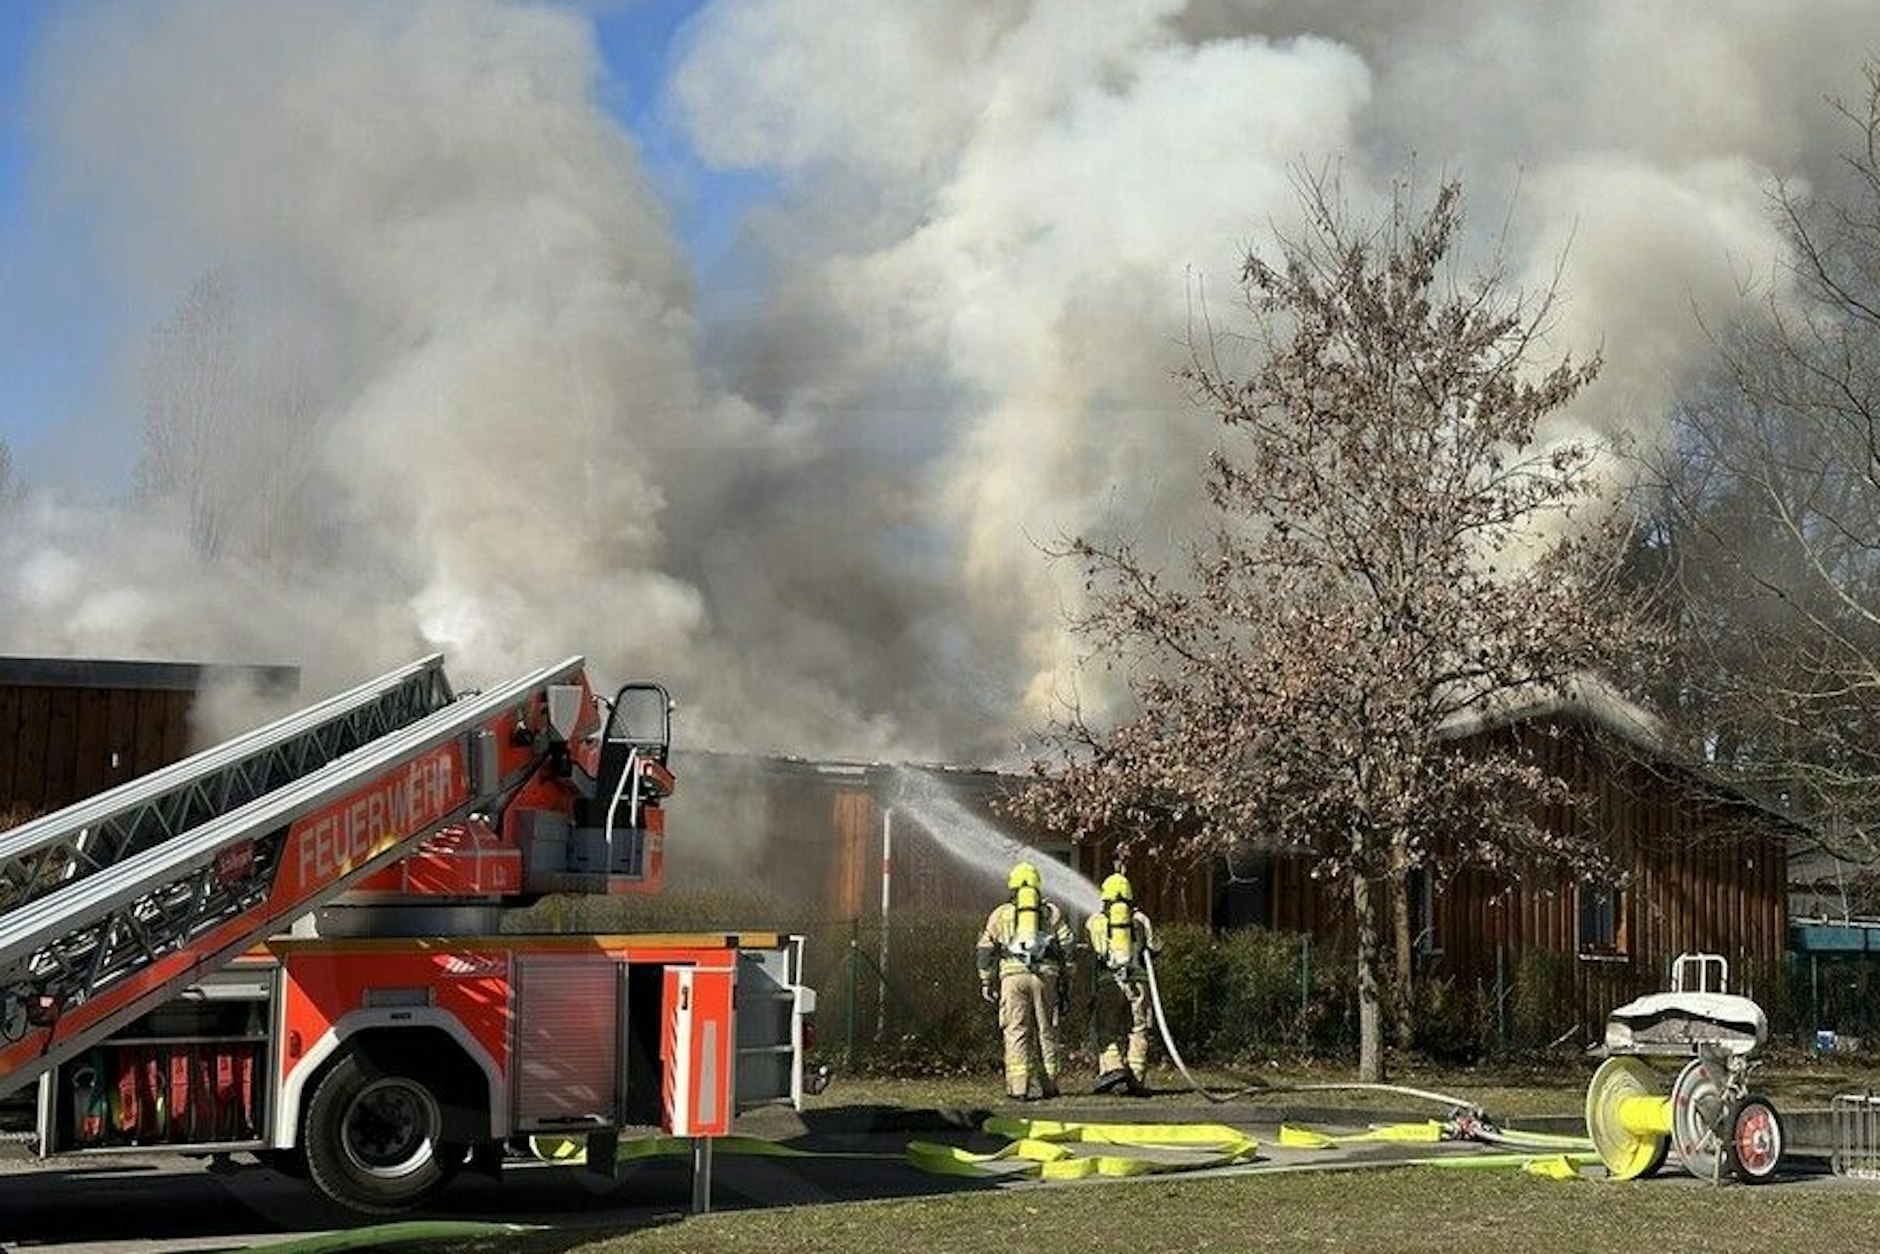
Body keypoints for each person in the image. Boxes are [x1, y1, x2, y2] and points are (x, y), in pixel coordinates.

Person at [975, 860, 1076, 1100]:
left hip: (1012, 977)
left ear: (1012, 887)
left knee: (1016, 1030)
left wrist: (986, 980)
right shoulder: (1051, 912)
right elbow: (1068, 946)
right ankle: (1050, 1085)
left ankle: (1019, 1087)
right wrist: (1068, 979)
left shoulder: (1000, 913)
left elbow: (985, 949)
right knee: (1046, 1029)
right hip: (1045, 977)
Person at [1086, 871, 1160, 1095]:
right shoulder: (1140, 920)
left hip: (1109, 982)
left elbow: (1096, 952)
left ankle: (1113, 1068)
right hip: (1138, 983)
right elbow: (1155, 947)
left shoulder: (1095, 921)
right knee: (1138, 1028)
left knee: (1106, 1029)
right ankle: (1136, 1078)